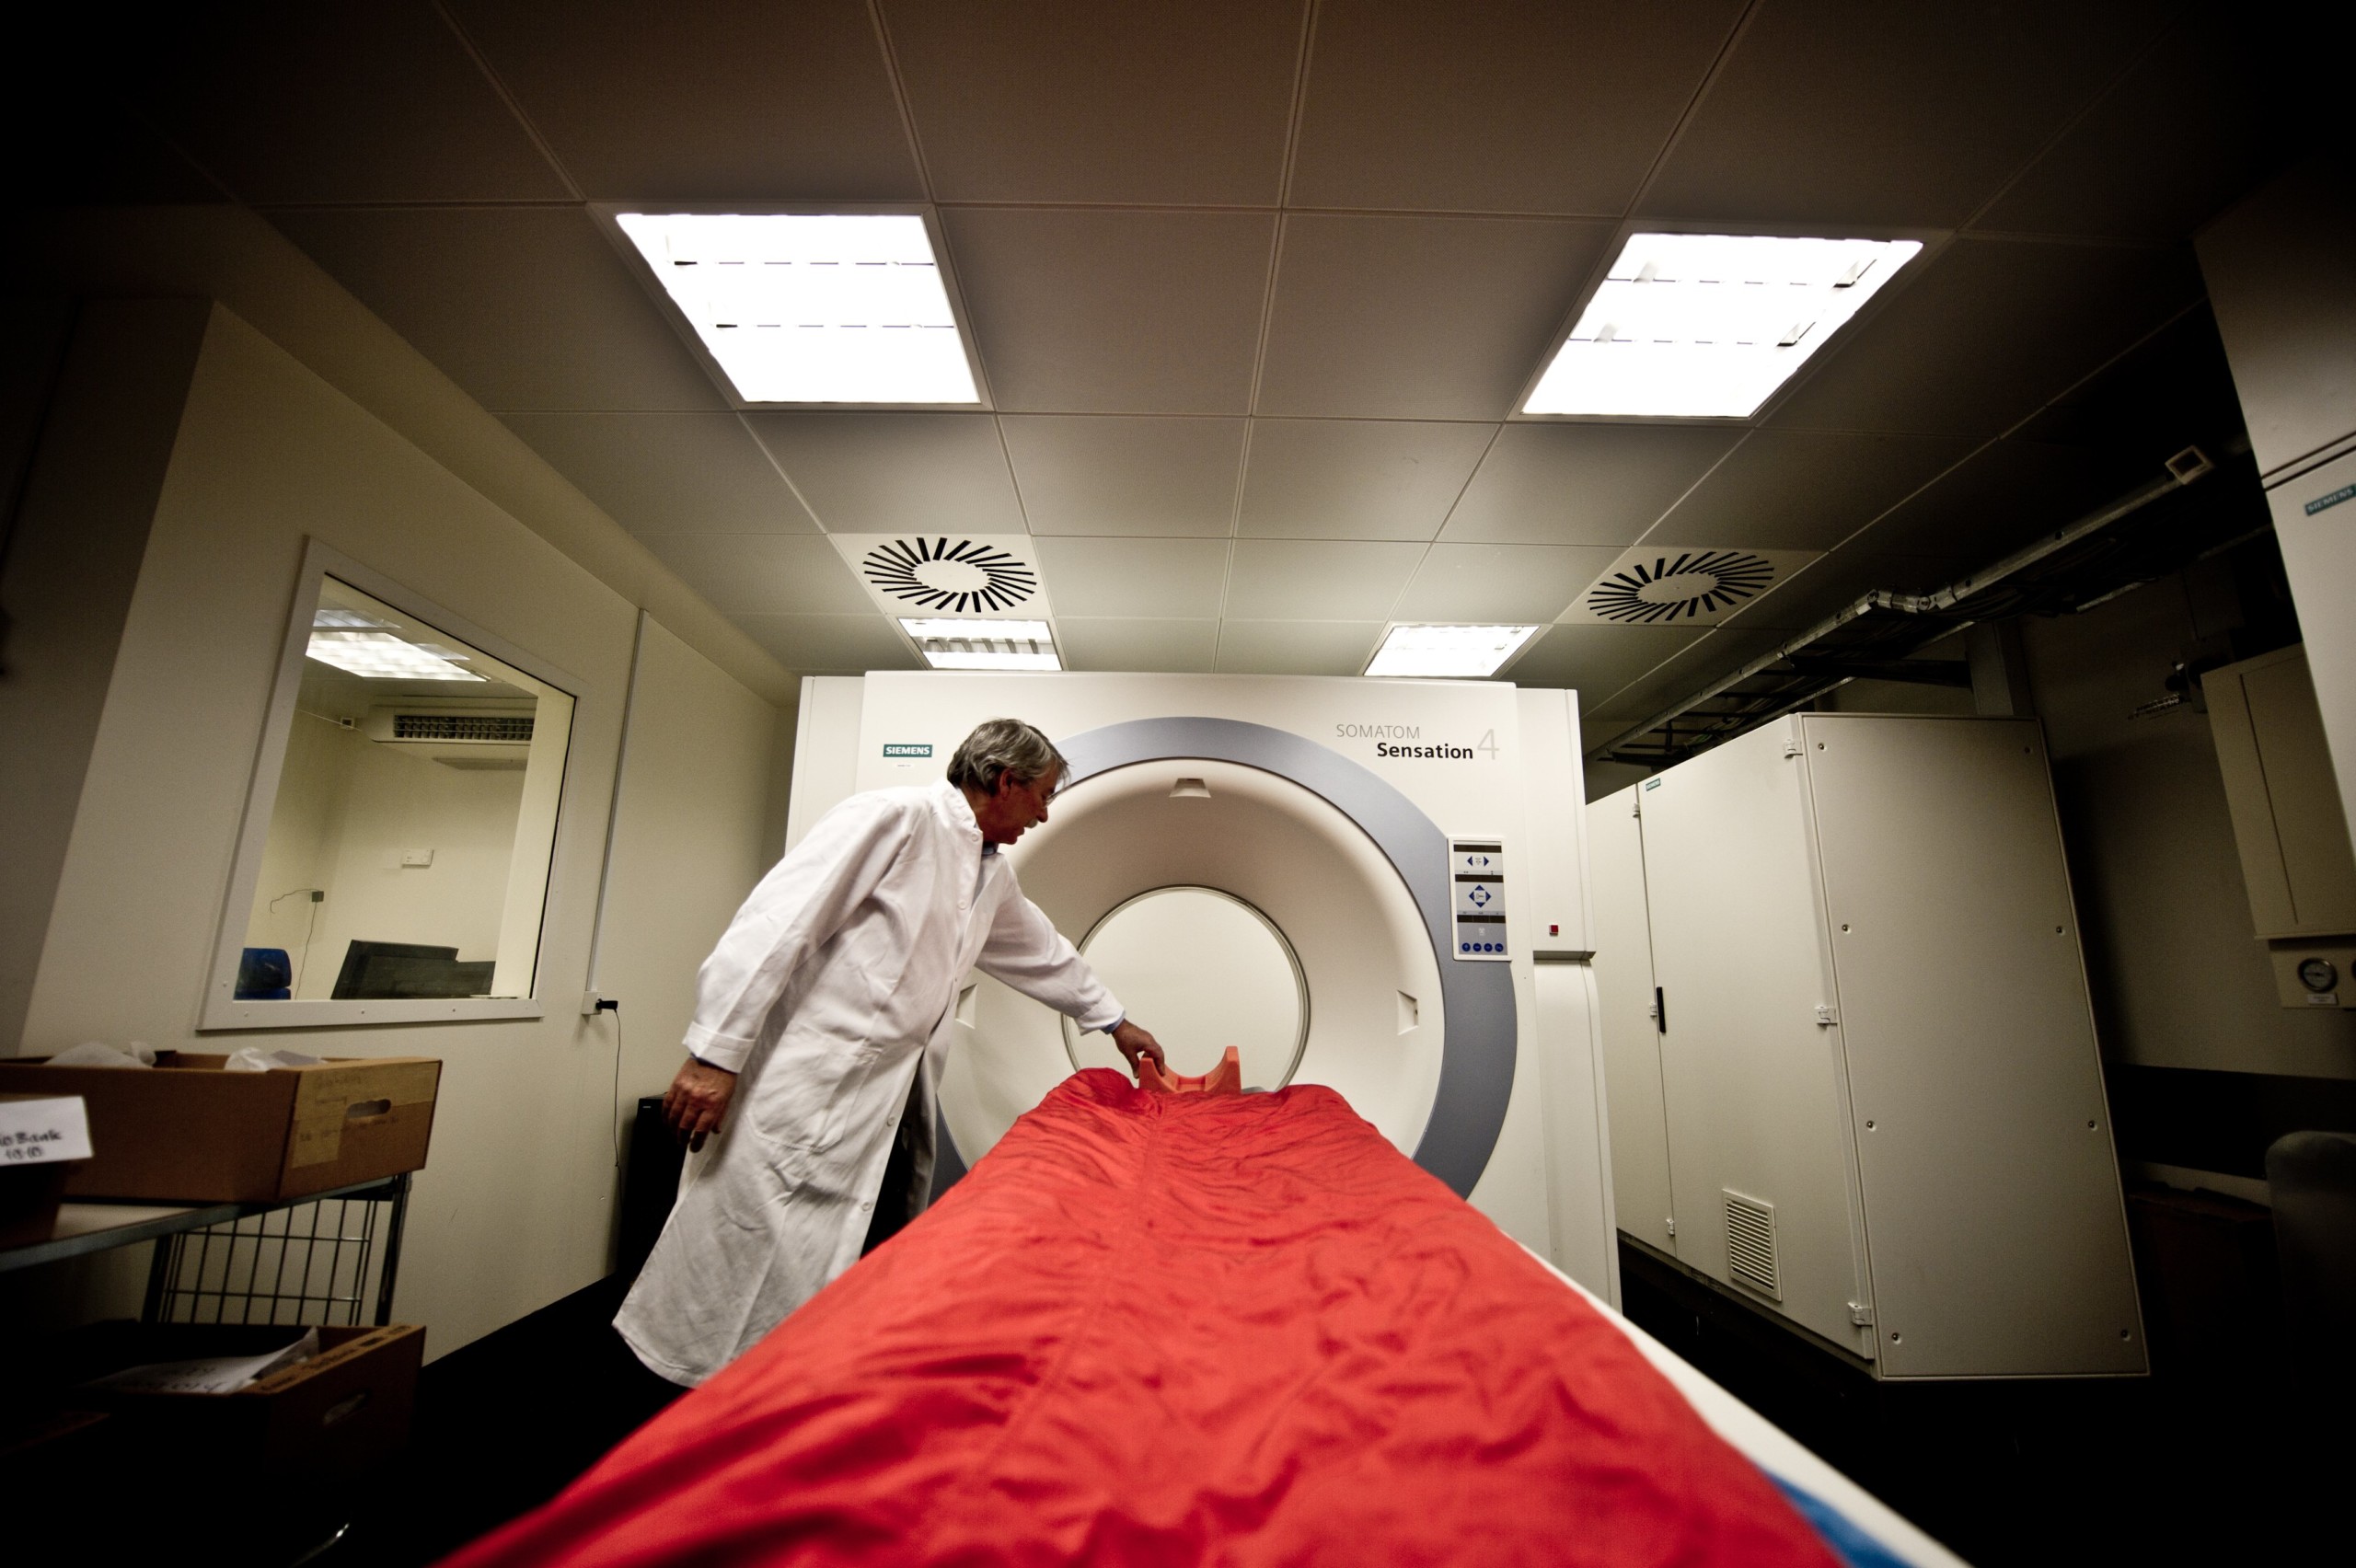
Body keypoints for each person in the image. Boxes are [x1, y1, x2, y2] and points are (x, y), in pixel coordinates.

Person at [615, 718, 1165, 1387]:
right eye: (1043, 795)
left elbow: (1040, 952)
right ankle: (680, 1384)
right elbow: (775, 927)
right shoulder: (894, 820)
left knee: (840, 1253)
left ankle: (797, 1387)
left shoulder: (988, 870)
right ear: (1004, 780)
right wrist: (714, 1054)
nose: (1045, 814)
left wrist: (1115, 1021)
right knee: (745, 1241)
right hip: (809, 1082)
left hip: (888, 1094)